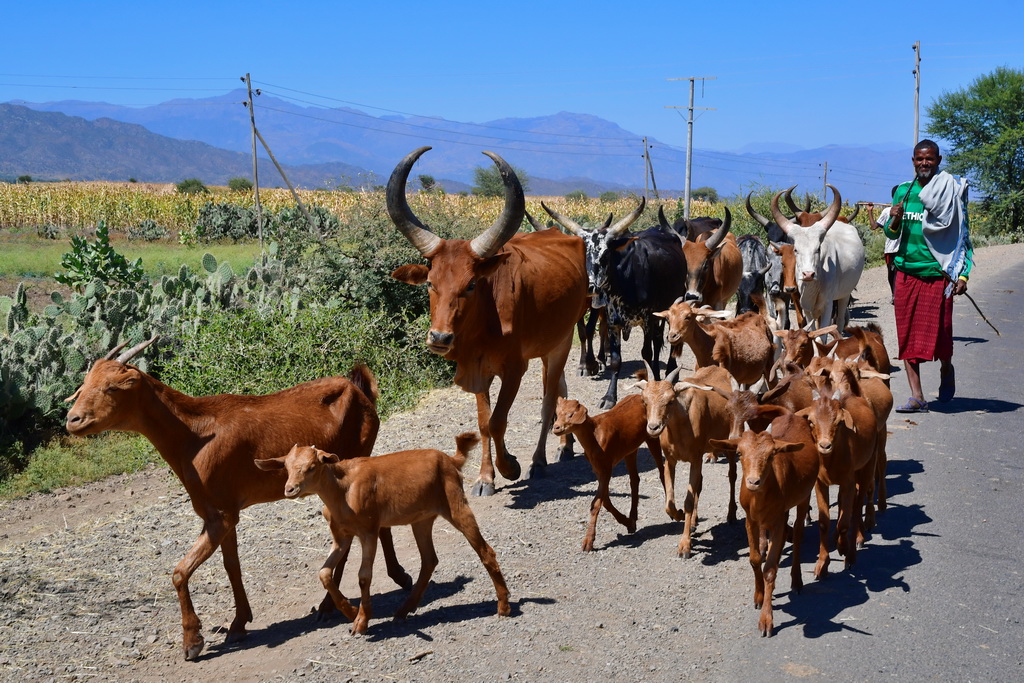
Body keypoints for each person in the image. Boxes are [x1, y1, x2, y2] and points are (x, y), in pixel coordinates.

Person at [884, 139, 973, 413]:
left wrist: (963, 275)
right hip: (907, 273)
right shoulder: (902, 191)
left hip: (938, 274)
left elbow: (963, 237)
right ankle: (917, 396)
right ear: (913, 161)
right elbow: (890, 234)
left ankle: (947, 368)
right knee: (907, 337)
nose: (924, 163)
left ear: (938, 160)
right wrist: (895, 218)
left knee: (942, 335)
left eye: (929, 159)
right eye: (919, 159)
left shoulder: (952, 191)